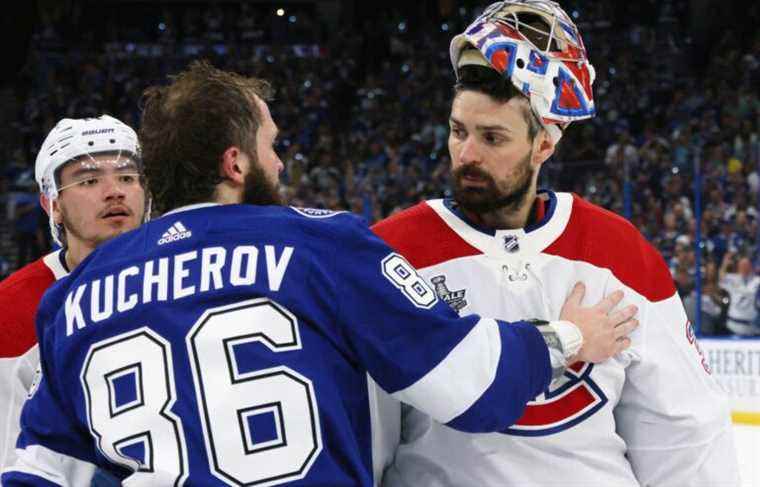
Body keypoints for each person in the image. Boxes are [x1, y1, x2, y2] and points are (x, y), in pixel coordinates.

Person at [2, 61, 637, 486]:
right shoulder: (323, 246)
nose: (279, 162)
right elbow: (470, 384)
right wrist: (570, 337)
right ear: (234, 163)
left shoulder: (74, 297)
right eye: (271, 146)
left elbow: (37, 467)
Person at [372, 2, 740, 486]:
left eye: (493, 138)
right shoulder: (390, 253)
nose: (466, 154)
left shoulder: (619, 252)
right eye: (458, 131)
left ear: (544, 145)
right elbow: (367, 433)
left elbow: (684, 432)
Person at [0, 115, 149, 486]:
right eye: (89, 180)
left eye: (127, 177)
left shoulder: (187, 280)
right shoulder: (12, 308)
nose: (114, 191)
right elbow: (8, 460)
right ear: (53, 204)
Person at [720, 251, 760, 335]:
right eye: (742, 265)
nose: (744, 268)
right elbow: (721, 279)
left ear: (751, 267)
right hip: (732, 326)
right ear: (738, 266)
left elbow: (751, 293)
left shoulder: (757, 281)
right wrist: (725, 263)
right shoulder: (732, 278)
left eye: (747, 265)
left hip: (751, 328)